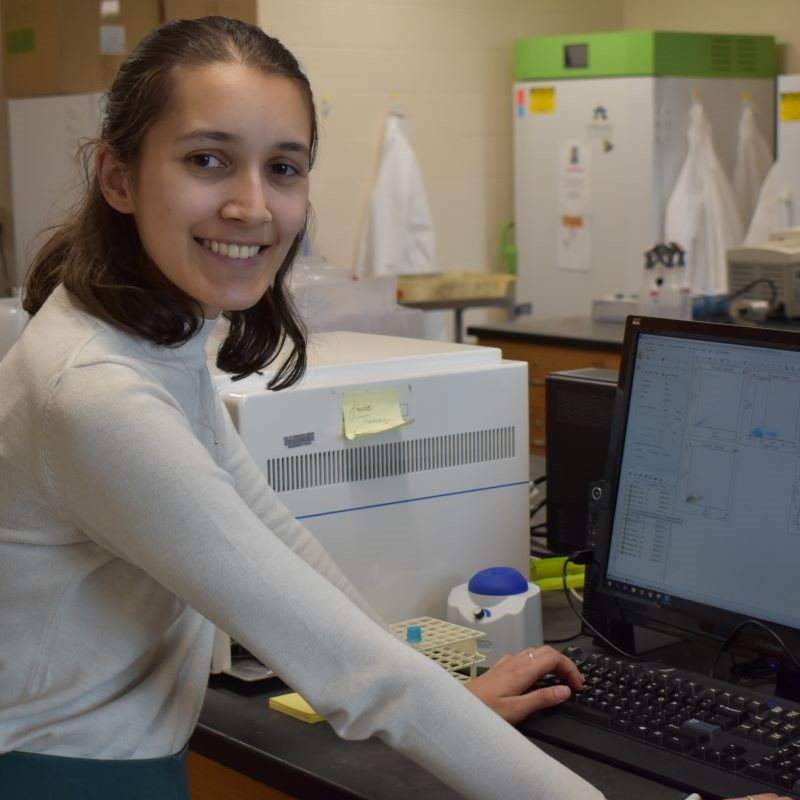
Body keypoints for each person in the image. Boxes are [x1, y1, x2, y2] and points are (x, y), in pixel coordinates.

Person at [0, 16, 789, 800]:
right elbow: (346, 668)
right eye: (208, 160)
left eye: (283, 168)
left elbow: (276, 539)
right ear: (118, 176)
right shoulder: (98, 393)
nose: (252, 206)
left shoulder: (143, 332)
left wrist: (441, 695)